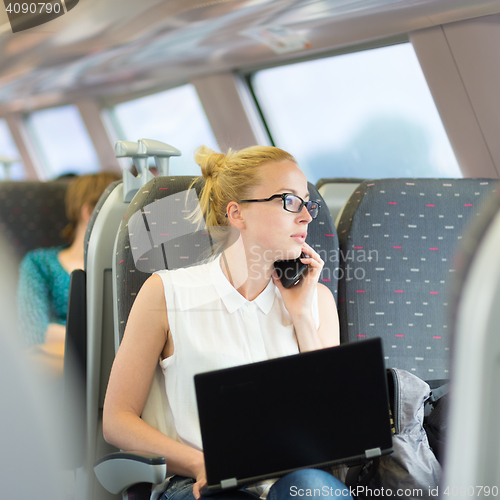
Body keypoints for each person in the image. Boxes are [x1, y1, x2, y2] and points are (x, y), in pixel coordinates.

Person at [103, 146, 351, 500]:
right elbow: (117, 420)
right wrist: (201, 464)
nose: (306, 218)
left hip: (295, 483)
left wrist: (302, 319)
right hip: (199, 483)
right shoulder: (166, 293)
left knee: (312, 490)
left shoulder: (316, 301)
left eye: (306, 203)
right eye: (289, 202)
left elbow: (332, 428)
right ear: (237, 213)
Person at [17, 171, 121, 354]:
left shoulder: (127, 266)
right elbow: (33, 331)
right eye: (121, 212)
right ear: (89, 211)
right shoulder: (40, 263)